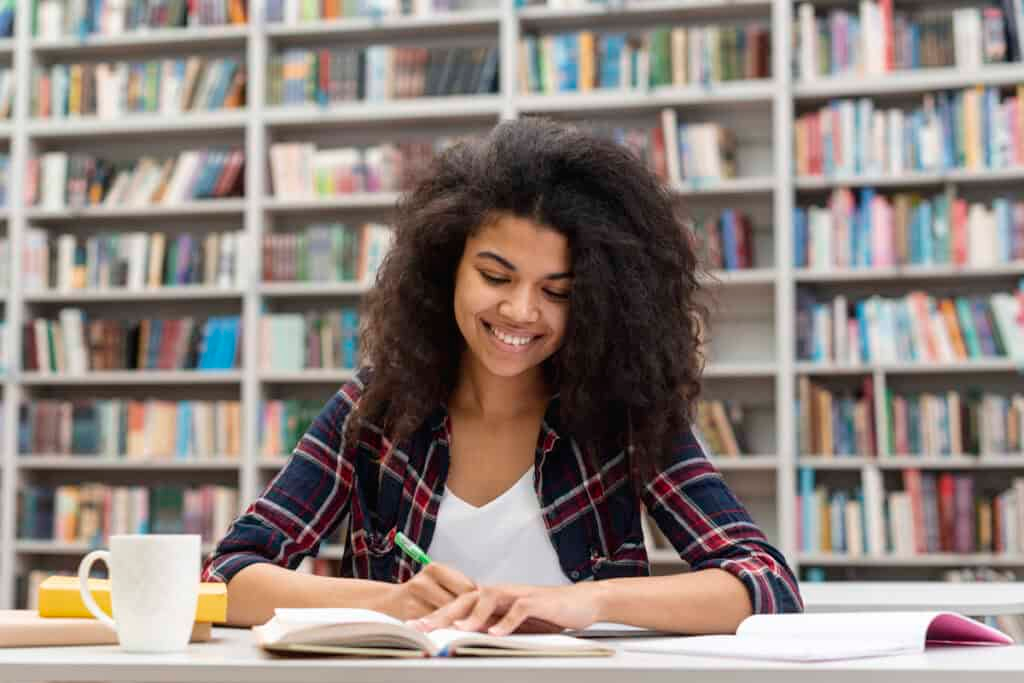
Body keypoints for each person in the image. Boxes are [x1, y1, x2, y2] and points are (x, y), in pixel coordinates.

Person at [202, 117, 802, 635]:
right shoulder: (375, 409)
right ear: (447, 269)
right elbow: (225, 576)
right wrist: (388, 603)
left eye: (557, 291)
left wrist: (589, 600)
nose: (520, 312)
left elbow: (765, 582)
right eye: (495, 277)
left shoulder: (623, 414)